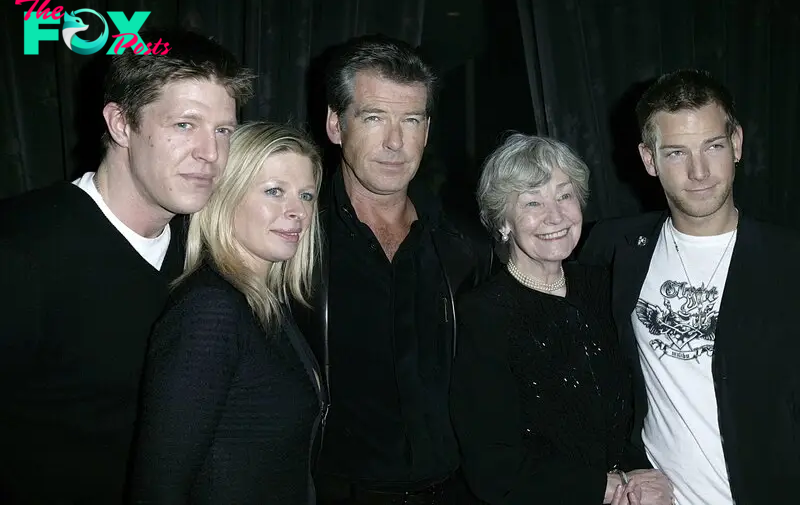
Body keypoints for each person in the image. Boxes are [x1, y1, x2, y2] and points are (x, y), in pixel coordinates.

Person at [0, 29, 254, 504]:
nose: (211, 153)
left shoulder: (208, 250)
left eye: (224, 130)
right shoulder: (21, 249)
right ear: (120, 124)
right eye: (185, 124)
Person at [579, 69, 800, 504]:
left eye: (713, 146)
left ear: (736, 143)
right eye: (677, 152)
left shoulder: (789, 262)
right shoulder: (612, 248)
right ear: (649, 159)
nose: (699, 171)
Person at [292, 34, 495, 504]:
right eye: (375, 118)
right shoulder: (294, 240)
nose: (395, 142)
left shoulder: (467, 247)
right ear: (336, 124)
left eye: (411, 120)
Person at [449, 134, 672, 505]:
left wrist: (647, 480)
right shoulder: (481, 317)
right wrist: (610, 486)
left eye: (564, 195)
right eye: (532, 202)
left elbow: (640, 407)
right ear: (502, 221)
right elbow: (493, 469)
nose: (555, 216)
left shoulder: (604, 285)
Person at [127, 122, 326, 504]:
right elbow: (158, 486)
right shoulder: (211, 311)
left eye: (306, 195)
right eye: (274, 191)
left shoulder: (262, 302)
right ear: (226, 196)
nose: (297, 211)